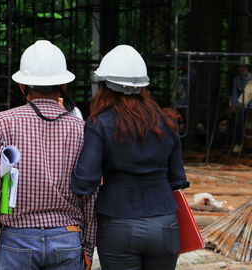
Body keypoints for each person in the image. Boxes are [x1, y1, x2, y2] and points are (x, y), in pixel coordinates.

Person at [0, 40, 96, 270]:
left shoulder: (2, 124)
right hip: (67, 238)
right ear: (63, 86)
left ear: (21, 85)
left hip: (16, 239)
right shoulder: (81, 128)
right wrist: (88, 246)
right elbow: (90, 192)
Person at [71, 45, 190, 270]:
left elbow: (85, 182)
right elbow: (178, 180)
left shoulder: (99, 124)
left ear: (104, 86)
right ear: (143, 86)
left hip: (118, 223)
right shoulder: (167, 122)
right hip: (164, 222)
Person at [229, 57, 252, 152]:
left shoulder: (251, 79)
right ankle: (239, 143)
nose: (242, 69)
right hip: (241, 106)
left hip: (249, 105)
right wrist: (233, 105)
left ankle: (248, 146)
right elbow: (235, 93)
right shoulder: (236, 79)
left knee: (249, 125)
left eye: (244, 67)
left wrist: (240, 104)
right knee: (238, 123)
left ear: (248, 68)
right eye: (240, 67)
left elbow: (248, 93)